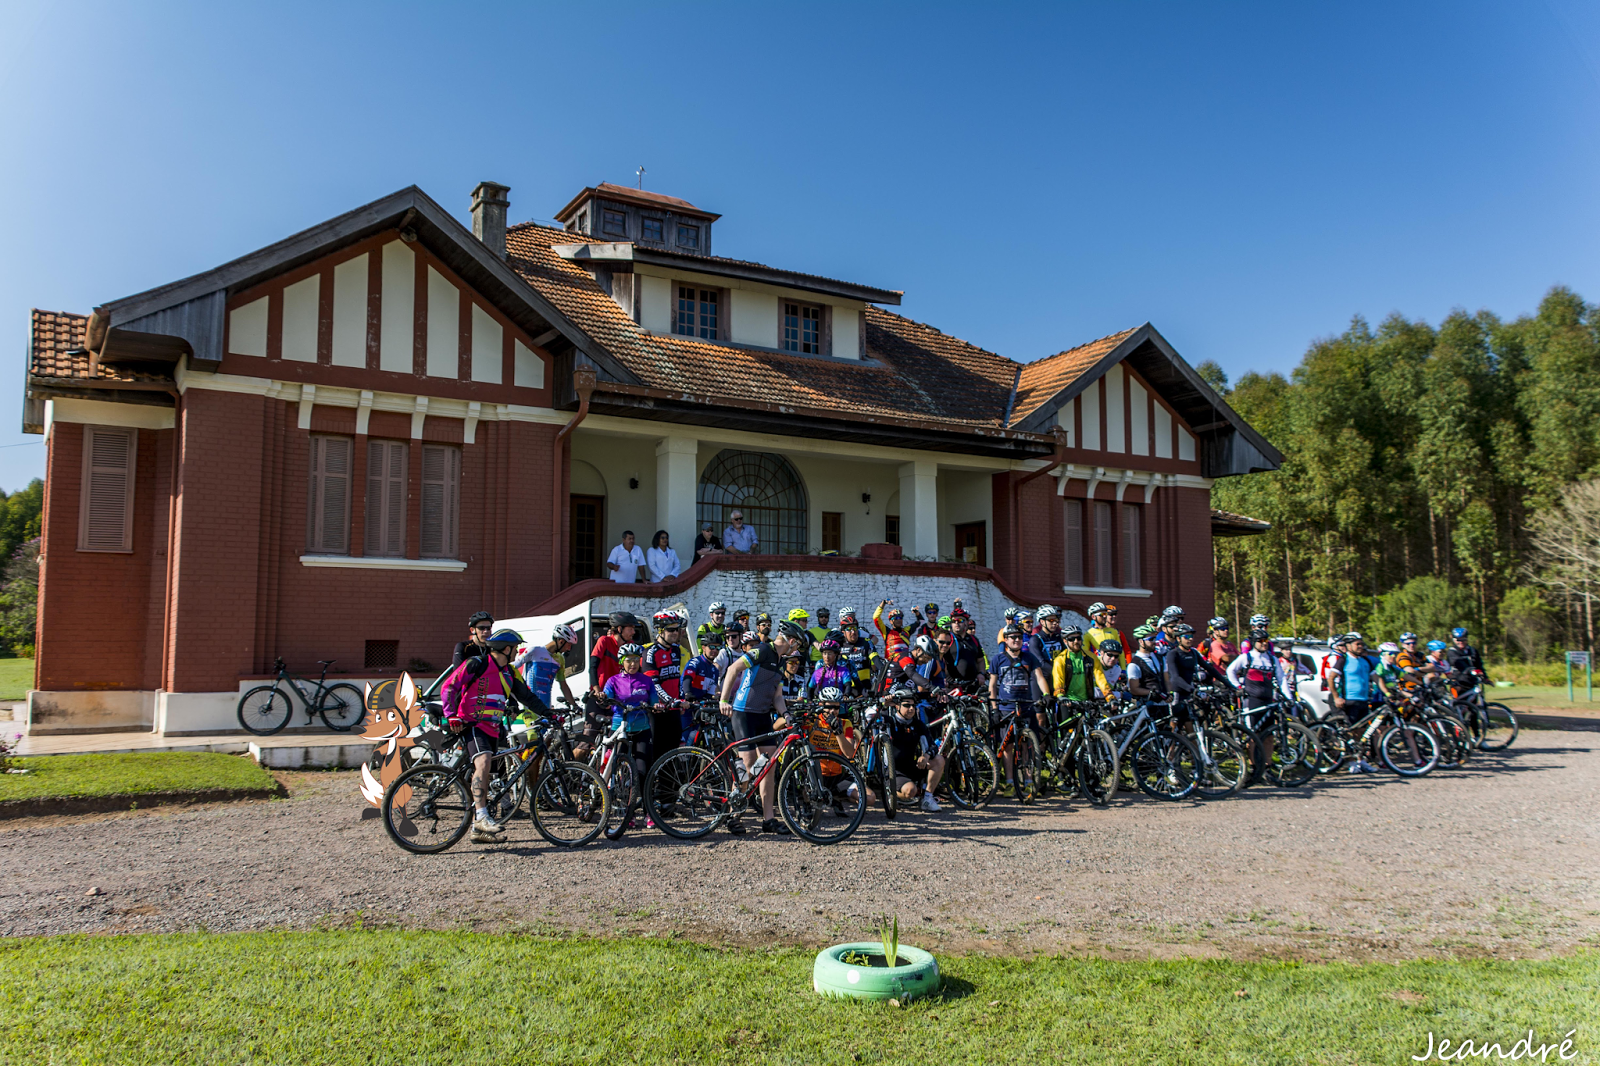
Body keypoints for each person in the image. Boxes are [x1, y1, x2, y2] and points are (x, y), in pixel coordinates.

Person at [441, 628, 548, 843]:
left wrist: (550, 714)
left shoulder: (509, 672)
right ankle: (481, 817)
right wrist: (451, 715)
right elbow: (449, 686)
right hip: (472, 724)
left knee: (490, 768)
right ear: (506, 648)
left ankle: (478, 831)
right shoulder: (476, 664)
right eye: (515, 648)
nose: (518, 652)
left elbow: (527, 697)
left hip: (494, 727)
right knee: (484, 761)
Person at [719, 618, 807, 834]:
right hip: (743, 713)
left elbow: (777, 696)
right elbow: (732, 669)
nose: (797, 650)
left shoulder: (779, 660)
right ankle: (734, 815)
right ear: (791, 640)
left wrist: (785, 714)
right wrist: (723, 700)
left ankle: (769, 819)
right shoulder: (763, 650)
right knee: (747, 766)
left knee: (769, 766)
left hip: (762, 715)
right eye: (797, 645)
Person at [988, 623, 1049, 794]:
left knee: (1027, 745)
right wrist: (994, 708)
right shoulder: (997, 659)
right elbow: (992, 685)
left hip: (1026, 705)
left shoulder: (1029, 658)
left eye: (1019, 637)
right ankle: (1009, 782)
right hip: (1006, 707)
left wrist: (1046, 694)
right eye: (1012, 637)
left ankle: (1028, 780)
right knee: (1007, 746)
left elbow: (1039, 677)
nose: (1016, 640)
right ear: (1006, 640)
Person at [603, 643, 657, 826]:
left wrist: (656, 705)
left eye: (636, 660)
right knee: (622, 773)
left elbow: (654, 700)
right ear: (621, 662)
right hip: (621, 729)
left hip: (642, 729)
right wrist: (603, 699)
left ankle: (649, 813)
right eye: (629, 661)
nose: (633, 664)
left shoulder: (646, 680)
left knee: (643, 772)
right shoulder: (613, 681)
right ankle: (628, 813)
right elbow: (605, 698)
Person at [879, 684, 945, 812]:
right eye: (906, 705)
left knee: (939, 759)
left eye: (913, 706)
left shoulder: (918, 724)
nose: (911, 709)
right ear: (897, 706)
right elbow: (876, 720)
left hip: (913, 766)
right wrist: (884, 706)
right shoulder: (890, 722)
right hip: (894, 770)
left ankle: (927, 798)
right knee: (910, 791)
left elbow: (932, 745)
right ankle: (889, 792)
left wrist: (926, 756)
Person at [643, 611, 689, 793]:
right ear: (659, 631)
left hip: (674, 710)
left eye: (677, 630)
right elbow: (654, 685)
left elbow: (676, 680)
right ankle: (651, 797)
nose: (675, 633)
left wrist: (680, 699)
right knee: (656, 756)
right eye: (671, 630)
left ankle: (667, 801)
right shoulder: (650, 652)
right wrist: (672, 701)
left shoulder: (676, 650)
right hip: (657, 712)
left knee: (672, 756)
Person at [1326, 632, 1382, 773]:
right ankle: (1351, 762)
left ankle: (1361, 760)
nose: (1360, 646)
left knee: (1362, 734)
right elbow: (1331, 678)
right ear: (1348, 645)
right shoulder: (1343, 660)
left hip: (1363, 700)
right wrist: (1336, 697)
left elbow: (1376, 678)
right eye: (1357, 644)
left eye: (1361, 644)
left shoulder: (1366, 661)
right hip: (1349, 700)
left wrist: (1387, 692)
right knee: (1350, 732)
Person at [811, 687, 862, 811]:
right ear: (821, 705)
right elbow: (777, 726)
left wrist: (837, 731)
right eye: (828, 707)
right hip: (817, 774)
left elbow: (849, 754)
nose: (832, 711)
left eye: (836, 707)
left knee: (869, 798)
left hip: (838, 776)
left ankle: (838, 797)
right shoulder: (813, 721)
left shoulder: (845, 723)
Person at [513, 623, 578, 713]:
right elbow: (512, 667)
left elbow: (563, 685)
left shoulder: (560, 659)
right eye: (569, 645)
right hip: (530, 708)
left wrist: (574, 705)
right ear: (561, 641)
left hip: (546, 708)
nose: (569, 649)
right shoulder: (535, 651)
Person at [590, 611, 640, 695]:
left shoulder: (630, 645)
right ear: (620, 629)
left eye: (633, 629)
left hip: (621, 694)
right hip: (601, 693)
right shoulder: (604, 641)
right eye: (630, 629)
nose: (633, 632)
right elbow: (593, 667)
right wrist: (596, 689)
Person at [836, 609, 881, 694]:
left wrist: (883, 671)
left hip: (865, 687)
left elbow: (876, 660)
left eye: (855, 628)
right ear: (843, 632)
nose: (853, 632)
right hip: (845, 688)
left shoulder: (866, 642)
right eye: (849, 629)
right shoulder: (839, 645)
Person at [945, 609, 989, 691]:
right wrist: (942, 678)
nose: (957, 623)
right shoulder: (947, 638)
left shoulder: (974, 639)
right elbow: (939, 659)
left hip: (973, 685)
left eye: (960, 620)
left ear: (966, 622)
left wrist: (981, 674)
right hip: (952, 687)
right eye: (954, 621)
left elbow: (980, 660)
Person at [1126, 625, 1169, 701]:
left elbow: (1166, 679)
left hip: (1164, 704)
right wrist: (1152, 693)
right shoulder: (1134, 664)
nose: (1154, 642)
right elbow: (1134, 689)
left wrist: (1169, 692)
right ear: (1141, 642)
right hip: (1147, 705)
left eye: (1155, 638)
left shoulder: (1160, 657)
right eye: (1151, 639)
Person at [1051, 625, 1093, 701]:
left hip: (1088, 701)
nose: (1076, 641)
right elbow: (1058, 682)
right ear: (1065, 641)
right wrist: (1060, 695)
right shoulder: (1060, 660)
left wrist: (1109, 696)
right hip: (1068, 700)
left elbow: (1100, 678)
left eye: (1078, 638)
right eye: (1071, 639)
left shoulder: (1090, 657)